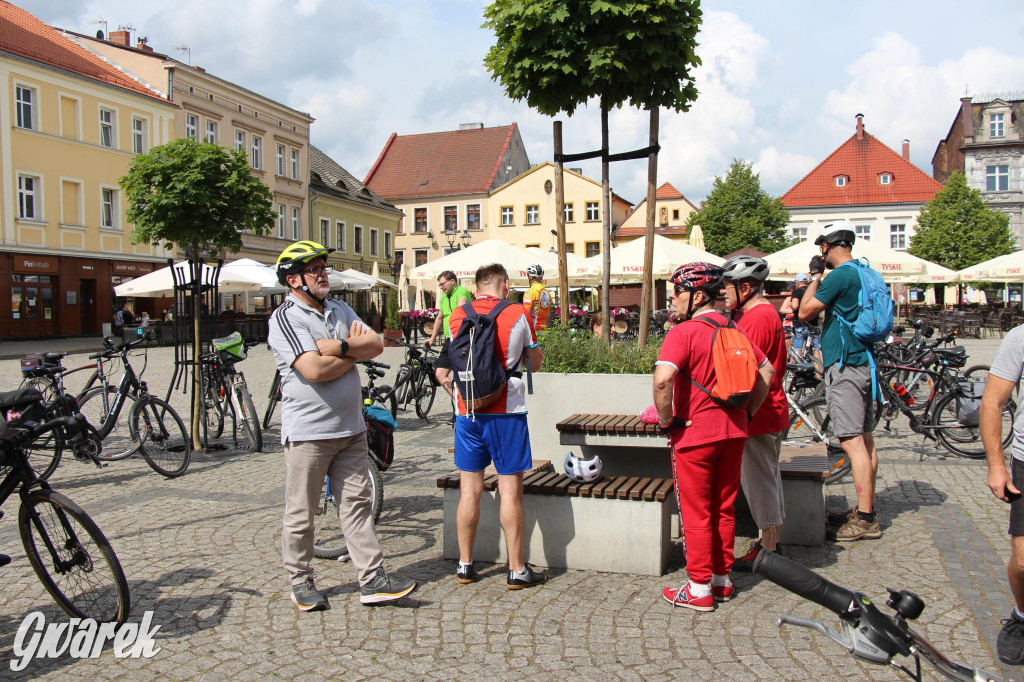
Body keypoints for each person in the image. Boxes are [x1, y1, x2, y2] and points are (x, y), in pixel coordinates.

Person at [268, 240, 416, 611]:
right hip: (309, 433)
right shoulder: (286, 318)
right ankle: (300, 580)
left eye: (323, 267)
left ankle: (372, 580)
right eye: (314, 269)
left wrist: (335, 347)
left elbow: (377, 344)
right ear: (293, 279)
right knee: (302, 512)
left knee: (357, 506)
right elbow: (313, 370)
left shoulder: (340, 307)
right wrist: (352, 349)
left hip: (351, 428)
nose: (323, 274)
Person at [654, 262, 774, 611]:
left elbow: (662, 380)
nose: (672, 297)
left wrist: (667, 421)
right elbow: (765, 370)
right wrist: (748, 412)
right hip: (734, 432)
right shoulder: (735, 329)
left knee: (696, 511)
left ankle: (699, 587)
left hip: (695, 434)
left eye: (677, 290)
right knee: (723, 508)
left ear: (696, 295)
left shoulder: (683, 332)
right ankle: (721, 581)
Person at [447, 263, 545, 589]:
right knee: (509, 491)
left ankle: (464, 565)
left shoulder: (457, 315)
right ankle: (516, 569)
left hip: (467, 411)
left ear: (476, 288)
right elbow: (536, 361)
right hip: (507, 413)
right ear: (504, 284)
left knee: (469, 489)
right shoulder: (517, 312)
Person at [798, 220, 880, 542]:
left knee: (851, 441)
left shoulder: (840, 276)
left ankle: (866, 519)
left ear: (827, 247)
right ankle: (866, 507)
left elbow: (805, 311)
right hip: (864, 362)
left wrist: (816, 276)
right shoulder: (863, 271)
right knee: (867, 439)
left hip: (845, 365)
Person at [720, 256, 789, 571]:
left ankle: (769, 550)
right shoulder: (756, 313)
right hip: (767, 411)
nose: (723, 291)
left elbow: (751, 370)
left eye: (728, 286)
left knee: (759, 481)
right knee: (767, 477)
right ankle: (770, 541)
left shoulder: (758, 317)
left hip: (759, 413)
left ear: (745, 287)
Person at [981, 323, 1024, 664]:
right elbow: (993, 401)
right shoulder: (1020, 337)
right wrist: (996, 464)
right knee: (1023, 562)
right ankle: (1022, 616)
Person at [425, 271, 472, 398]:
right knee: (440, 374)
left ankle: (468, 402)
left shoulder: (461, 291)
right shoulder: (445, 297)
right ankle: (459, 400)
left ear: (452, 281)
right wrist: (432, 338)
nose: (441, 287)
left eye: (442, 284)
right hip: (448, 339)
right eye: (439, 285)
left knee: (463, 374)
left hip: (462, 339)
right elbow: (439, 318)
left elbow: (461, 307)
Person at [789, 273, 821, 361]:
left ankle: (792, 373)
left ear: (798, 283)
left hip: (800, 324)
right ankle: (819, 373)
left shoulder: (797, 291)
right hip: (813, 324)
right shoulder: (814, 291)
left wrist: (790, 304)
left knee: (797, 350)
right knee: (816, 351)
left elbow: (795, 306)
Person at [522, 264, 552, 331]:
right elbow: (548, 316)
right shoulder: (547, 292)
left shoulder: (530, 292)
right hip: (544, 332)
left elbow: (526, 314)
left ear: (530, 277)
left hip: (533, 331)